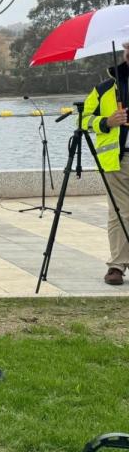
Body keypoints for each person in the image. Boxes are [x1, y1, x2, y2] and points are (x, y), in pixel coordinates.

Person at [81, 41, 129, 285]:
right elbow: (83, 120)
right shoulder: (104, 89)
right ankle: (117, 266)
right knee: (119, 212)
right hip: (117, 159)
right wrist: (107, 122)